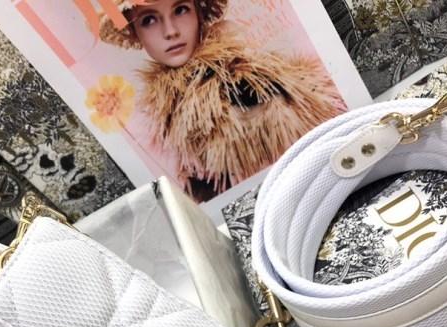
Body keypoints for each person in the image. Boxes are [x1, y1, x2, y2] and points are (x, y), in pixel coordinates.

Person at [100, 0, 346, 202]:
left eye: (181, 9)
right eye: (149, 20)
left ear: (198, 12)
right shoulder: (169, 106)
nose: (170, 31)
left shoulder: (241, 81)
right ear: (136, 32)